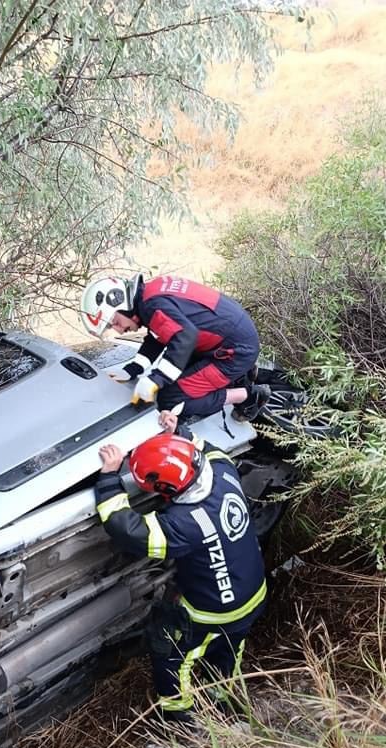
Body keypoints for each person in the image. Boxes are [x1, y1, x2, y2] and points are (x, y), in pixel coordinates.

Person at [96, 410, 267, 723]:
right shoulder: (223, 471)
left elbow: (126, 528)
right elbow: (209, 450)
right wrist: (180, 434)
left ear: (167, 491)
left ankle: (181, 719)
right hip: (254, 592)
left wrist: (109, 478)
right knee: (229, 650)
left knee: (170, 652)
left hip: (214, 610)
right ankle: (223, 698)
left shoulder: (184, 525)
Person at [81, 273, 270, 421]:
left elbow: (184, 337)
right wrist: (133, 369)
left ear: (120, 302)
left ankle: (248, 396)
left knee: (170, 399)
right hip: (229, 337)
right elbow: (160, 333)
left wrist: (157, 379)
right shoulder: (150, 293)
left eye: (114, 321)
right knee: (174, 376)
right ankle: (239, 377)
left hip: (234, 352)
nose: (118, 330)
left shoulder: (152, 307)